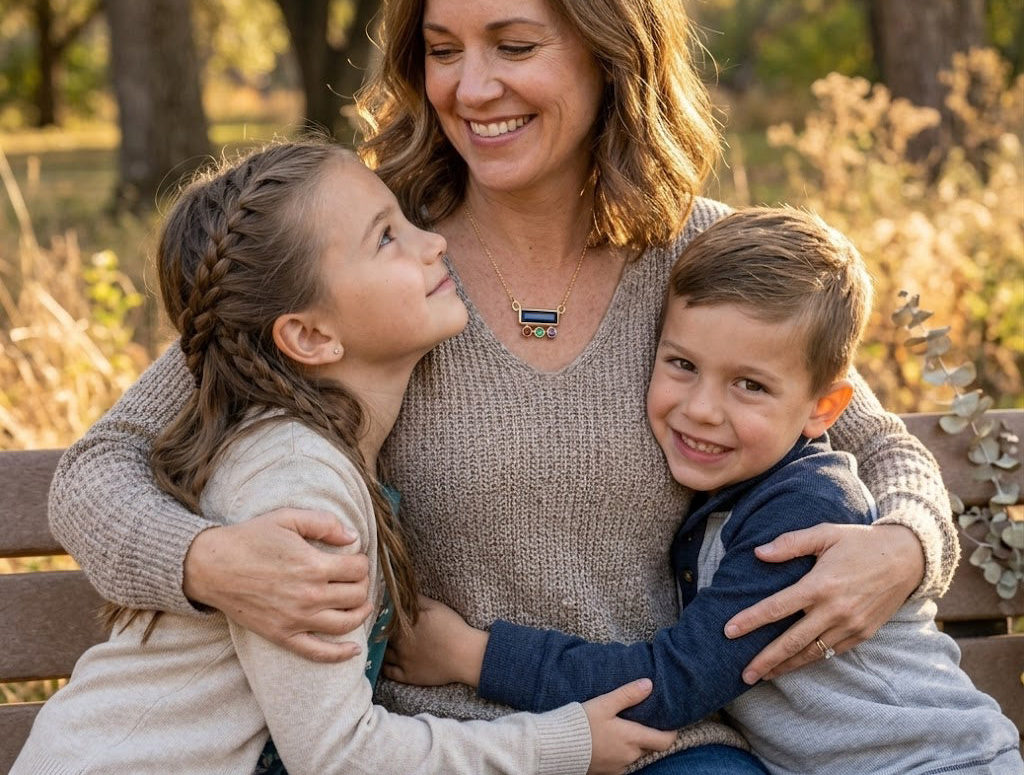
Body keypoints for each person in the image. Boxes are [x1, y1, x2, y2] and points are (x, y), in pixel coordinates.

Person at [48, 0, 961, 771]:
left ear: (612, 47)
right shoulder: (379, 268)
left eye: (514, 47)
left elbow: (875, 444)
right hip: (424, 744)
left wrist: (905, 548)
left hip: (652, 738)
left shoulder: (702, 260)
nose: (471, 89)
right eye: (443, 51)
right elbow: (97, 470)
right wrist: (212, 565)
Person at [14, 140, 676, 775]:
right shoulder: (300, 484)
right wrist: (561, 745)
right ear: (308, 335)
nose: (435, 241)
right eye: (389, 236)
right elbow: (338, 759)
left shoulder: (307, 443)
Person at [383, 207, 1024, 775]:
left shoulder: (802, 517)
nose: (702, 411)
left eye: (749, 385)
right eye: (682, 365)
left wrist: (475, 655)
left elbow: (670, 683)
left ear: (822, 408)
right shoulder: (739, 484)